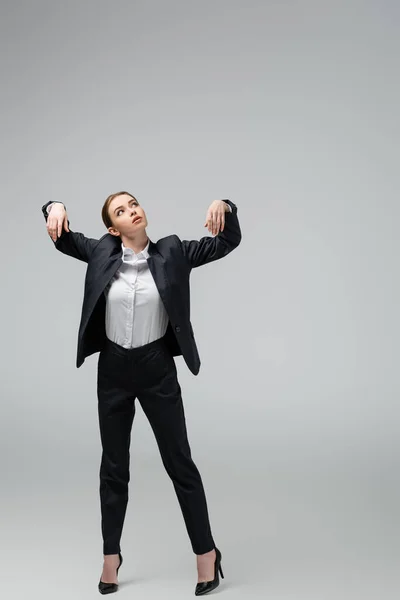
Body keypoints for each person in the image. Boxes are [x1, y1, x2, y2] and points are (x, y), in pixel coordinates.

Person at [42, 192, 242, 595]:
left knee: (179, 463)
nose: (132, 210)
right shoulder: (101, 251)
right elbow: (62, 237)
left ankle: (207, 554)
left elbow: (226, 242)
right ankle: (110, 557)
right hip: (113, 371)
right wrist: (54, 206)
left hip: (157, 370)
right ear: (113, 229)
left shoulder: (173, 252)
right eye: (121, 210)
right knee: (114, 468)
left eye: (133, 203)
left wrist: (226, 205)